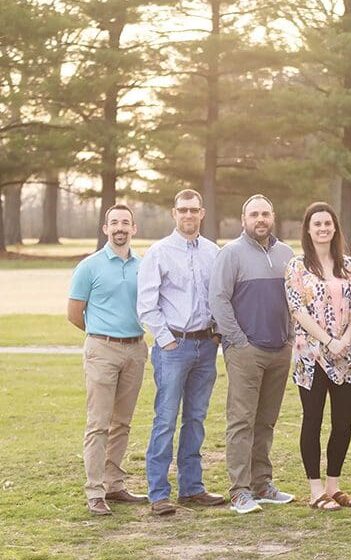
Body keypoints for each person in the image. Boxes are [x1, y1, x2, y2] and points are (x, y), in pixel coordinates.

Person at [137, 189, 224, 515]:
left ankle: (192, 488)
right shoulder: (159, 252)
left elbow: (220, 296)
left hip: (205, 346)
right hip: (173, 346)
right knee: (166, 419)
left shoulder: (213, 252)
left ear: (202, 213)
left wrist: (215, 334)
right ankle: (158, 493)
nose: (189, 215)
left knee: (196, 419)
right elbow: (146, 305)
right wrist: (166, 340)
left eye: (194, 210)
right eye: (183, 210)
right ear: (174, 213)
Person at [209, 194, 295, 514]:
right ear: (243, 219)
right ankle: (239, 490)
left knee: (266, 421)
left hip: (279, 350)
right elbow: (219, 300)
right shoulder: (230, 254)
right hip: (246, 351)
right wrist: (238, 341)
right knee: (241, 421)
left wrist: (290, 338)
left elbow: (294, 301)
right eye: (254, 214)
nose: (260, 219)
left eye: (265, 214)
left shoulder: (286, 253)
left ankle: (263, 484)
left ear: (273, 217)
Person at [67, 204, 148, 516]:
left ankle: (113, 484)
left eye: (125, 223)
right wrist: (103, 335)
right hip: (102, 349)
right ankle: (94, 491)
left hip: (136, 349)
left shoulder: (143, 264)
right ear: (105, 228)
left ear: (134, 228)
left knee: (122, 423)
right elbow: (74, 313)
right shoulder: (89, 266)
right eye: (114, 223)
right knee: (99, 423)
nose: (120, 228)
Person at [285, 202, 351, 511]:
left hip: (346, 355)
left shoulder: (349, 265)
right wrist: (328, 340)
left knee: (343, 423)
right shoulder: (297, 266)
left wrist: (344, 339)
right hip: (312, 356)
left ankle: (334, 486)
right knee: (313, 420)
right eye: (316, 224)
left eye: (327, 223)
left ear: (335, 228)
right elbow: (297, 310)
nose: (322, 228)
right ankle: (315, 490)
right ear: (308, 228)